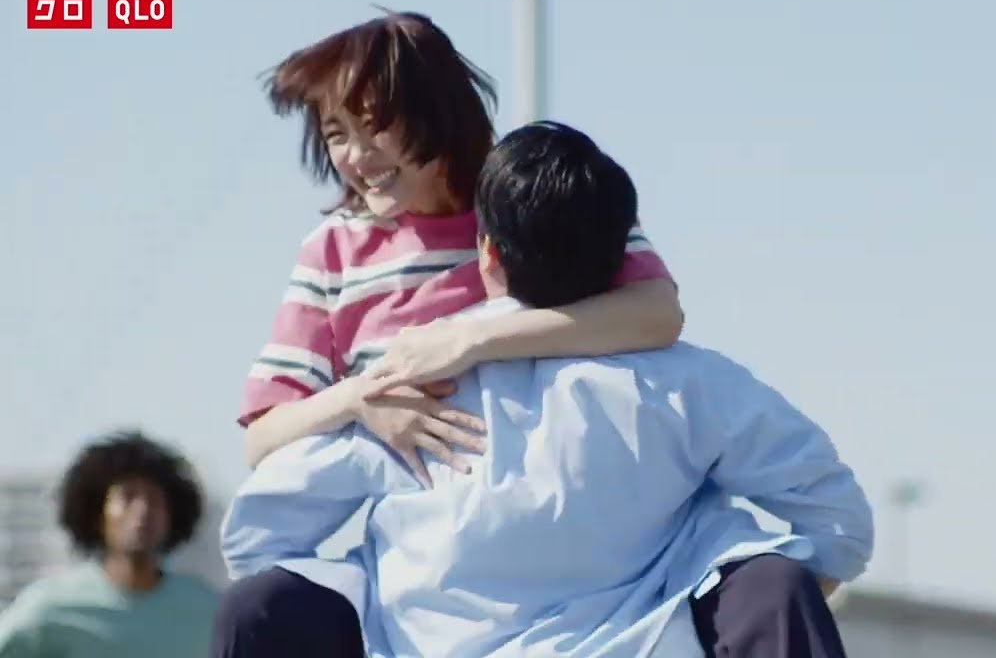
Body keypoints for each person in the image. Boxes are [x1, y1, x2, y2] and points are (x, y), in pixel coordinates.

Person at [217, 122, 874, 657]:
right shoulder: (689, 388)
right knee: (773, 581)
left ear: (486, 254)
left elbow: (257, 537)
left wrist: (366, 588)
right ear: (622, 256)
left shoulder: (413, 394)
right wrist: (721, 586)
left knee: (261, 606)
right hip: (645, 644)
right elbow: (840, 523)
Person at [0, 431, 219, 658]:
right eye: (128, 497)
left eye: (154, 500)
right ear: (97, 512)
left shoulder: (209, 612)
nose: (142, 511)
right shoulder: (50, 609)